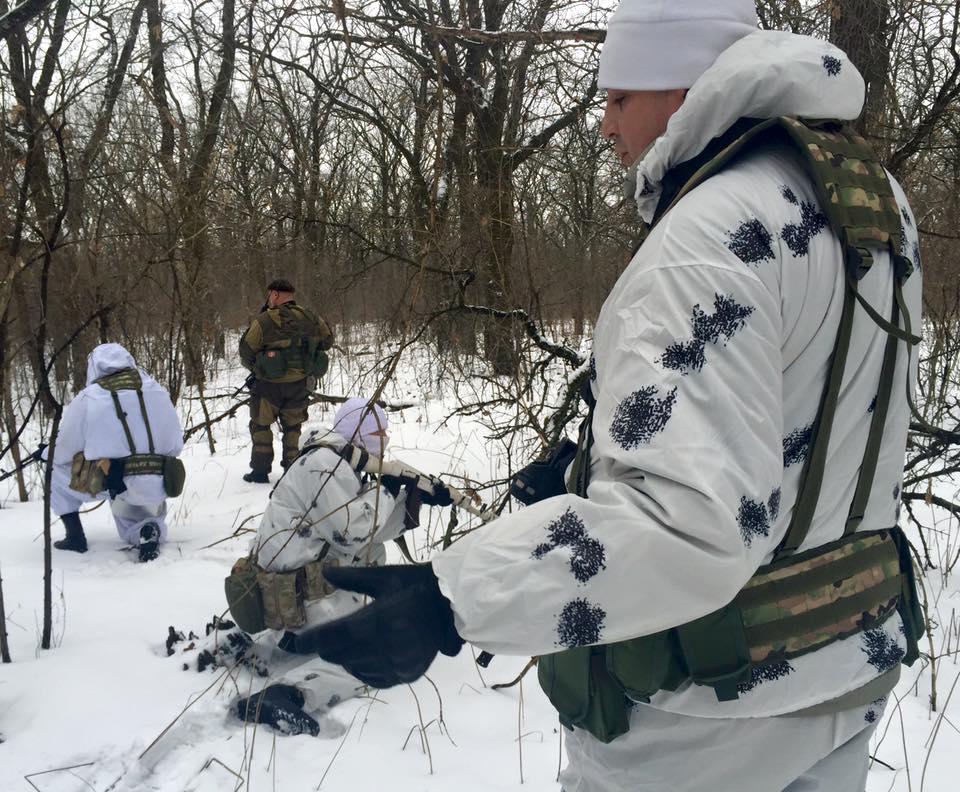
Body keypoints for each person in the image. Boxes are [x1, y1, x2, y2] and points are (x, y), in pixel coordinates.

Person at [285, 2, 927, 790]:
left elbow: (691, 527)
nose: (603, 125)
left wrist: (447, 600)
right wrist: (597, 471)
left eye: (620, 96)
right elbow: (809, 421)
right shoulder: (869, 202)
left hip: (708, 716)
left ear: (689, 85)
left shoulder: (705, 239)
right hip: (846, 663)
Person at [216, 398, 451, 735]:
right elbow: (351, 531)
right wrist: (386, 489)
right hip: (294, 602)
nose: (385, 438)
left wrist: (411, 504)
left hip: (293, 598)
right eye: (378, 431)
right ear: (360, 432)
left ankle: (299, 644)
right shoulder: (325, 465)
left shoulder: (335, 462)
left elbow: (366, 533)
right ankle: (288, 694)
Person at [52, 343, 184, 562]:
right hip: (162, 480)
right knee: (139, 512)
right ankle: (148, 530)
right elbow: (175, 443)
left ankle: (75, 537)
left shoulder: (88, 398)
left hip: (115, 481)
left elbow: (64, 452)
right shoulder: (157, 390)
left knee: (55, 472)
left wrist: (47, 454)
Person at [238, 278, 334, 484]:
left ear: (275, 295)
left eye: (269, 295)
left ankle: (260, 472)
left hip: (267, 387)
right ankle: (292, 470)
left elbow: (245, 350)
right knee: (293, 428)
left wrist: (258, 366)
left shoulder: (264, 320)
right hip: (299, 385)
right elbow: (327, 341)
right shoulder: (311, 317)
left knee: (261, 426)